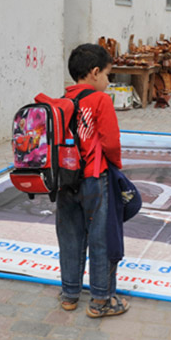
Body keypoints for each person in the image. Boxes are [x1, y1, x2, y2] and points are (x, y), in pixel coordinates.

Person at [57, 43, 129, 318]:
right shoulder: (101, 101)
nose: (109, 82)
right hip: (94, 179)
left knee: (70, 237)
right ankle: (101, 300)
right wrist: (117, 168)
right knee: (101, 238)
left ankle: (69, 295)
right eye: (108, 75)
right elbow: (111, 142)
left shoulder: (61, 100)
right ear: (95, 72)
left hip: (65, 180)